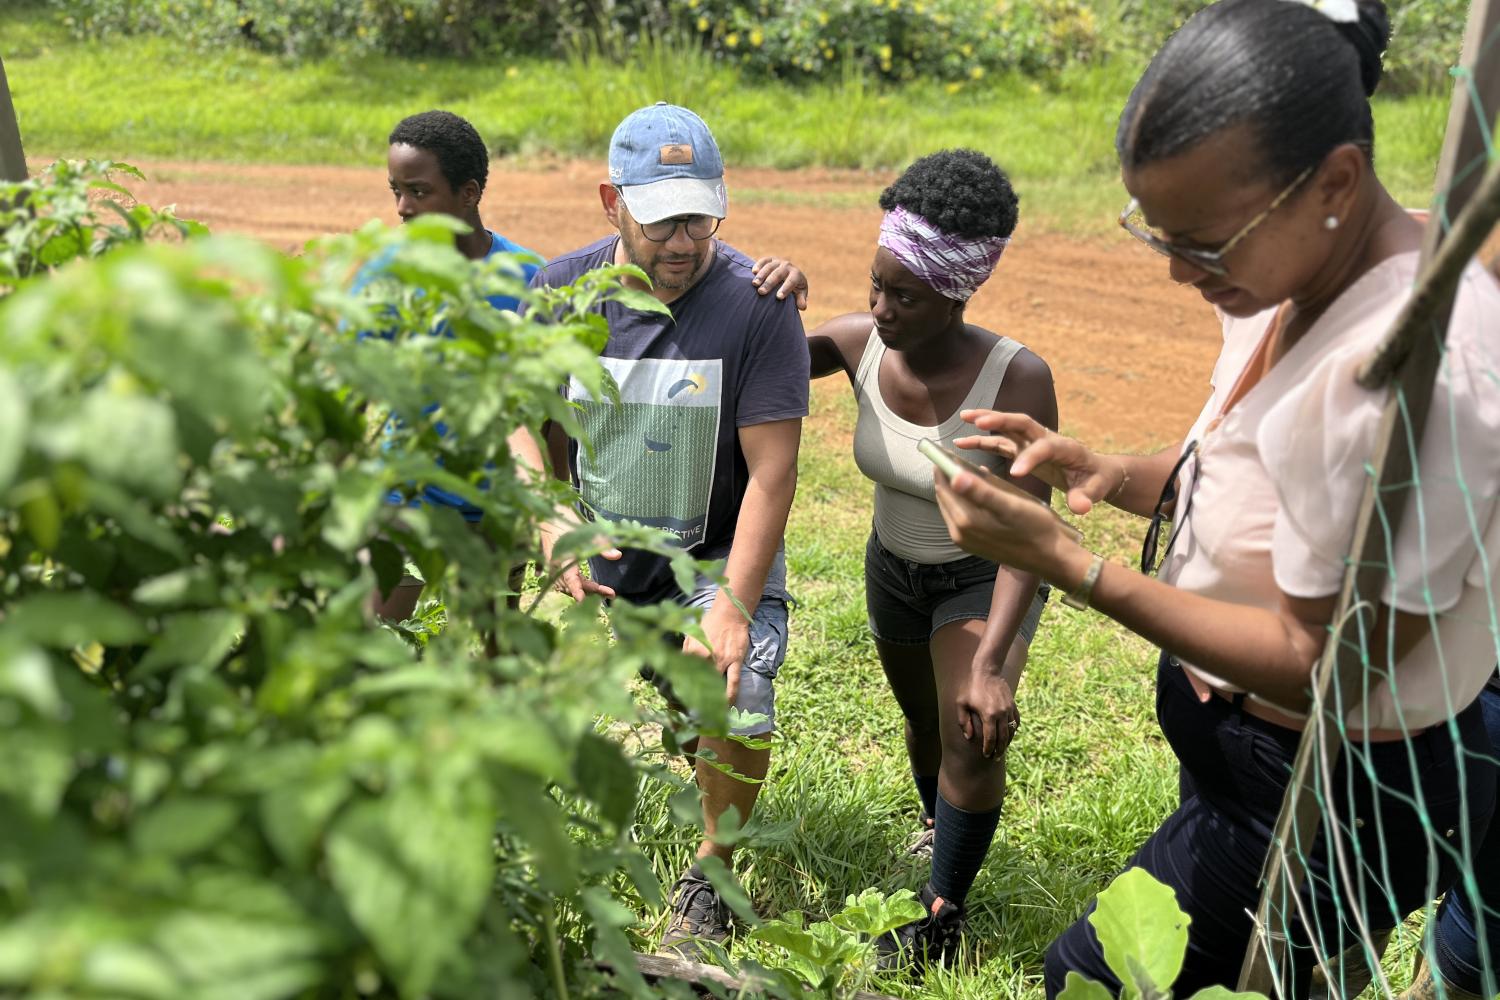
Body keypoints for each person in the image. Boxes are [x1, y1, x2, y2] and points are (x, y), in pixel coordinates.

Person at [926, 1, 1500, 995]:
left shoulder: (1411, 380)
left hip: (1325, 787)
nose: (1179, 271)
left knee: (1091, 983)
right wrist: (1101, 469)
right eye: (1158, 234)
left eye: (1201, 243)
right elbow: (1240, 470)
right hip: (1242, 751)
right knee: (1281, 974)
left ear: (1334, 182)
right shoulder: (1289, 276)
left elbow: (1327, 666)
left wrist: (1070, 563)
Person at [531, 103, 810, 958]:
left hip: (715, 548)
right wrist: (548, 509)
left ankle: (709, 875)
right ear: (610, 202)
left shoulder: (758, 308)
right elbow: (523, 417)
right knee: (682, 704)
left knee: (738, 688)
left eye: (699, 217)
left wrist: (731, 600)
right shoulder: (560, 293)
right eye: (660, 222)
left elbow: (773, 472)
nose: (682, 242)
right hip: (617, 553)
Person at [804, 148, 1054, 970]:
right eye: (875, 286)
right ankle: (938, 828)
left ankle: (943, 912)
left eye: (904, 296)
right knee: (925, 724)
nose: (880, 309)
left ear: (959, 292)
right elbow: (753, 350)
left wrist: (991, 662)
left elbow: (1030, 535)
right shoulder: (857, 344)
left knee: (971, 728)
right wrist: (764, 285)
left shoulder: (1013, 377)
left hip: (980, 575)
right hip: (893, 570)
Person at [358, 109, 544, 621]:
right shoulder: (388, 273)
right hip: (407, 497)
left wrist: (552, 500)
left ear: (469, 193)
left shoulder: (526, 277)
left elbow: (549, 402)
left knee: (494, 658)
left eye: (419, 192)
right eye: (395, 190)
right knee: (368, 639)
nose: (402, 208)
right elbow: (349, 378)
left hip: (498, 507)